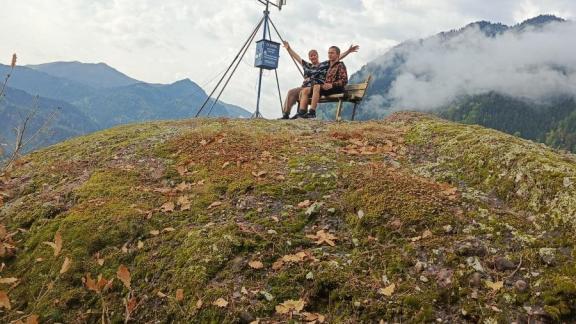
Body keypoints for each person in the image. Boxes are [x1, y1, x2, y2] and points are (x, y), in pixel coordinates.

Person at [279, 42, 359, 119]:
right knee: (291, 92)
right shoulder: (307, 66)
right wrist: (289, 49)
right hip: (306, 87)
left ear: (318, 56)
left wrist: (348, 51)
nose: (313, 57)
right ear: (309, 58)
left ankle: (302, 113)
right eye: (311, 56)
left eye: (314, 55)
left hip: (314, 87)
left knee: (306, 90)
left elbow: (337, 58)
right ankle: (286, 114)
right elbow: (297, 58)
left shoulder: (324, 65)